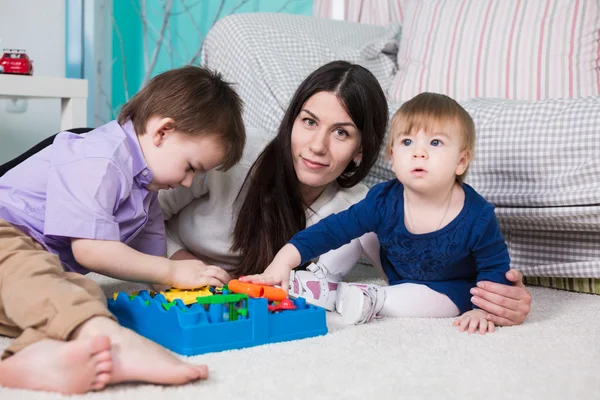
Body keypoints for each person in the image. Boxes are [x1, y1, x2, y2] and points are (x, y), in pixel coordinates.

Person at [160, 62, 531, 327]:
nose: (317, 146)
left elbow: (419, 270)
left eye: (341, 132)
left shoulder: (357, 207)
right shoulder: (228, 157)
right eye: (309, 122)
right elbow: (137, 213)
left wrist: (500, 300)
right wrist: (175, 264)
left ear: (361, 149)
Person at [0, 65, 245, 394]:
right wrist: (172, 270)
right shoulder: (102, 157)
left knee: (75, 294)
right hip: (6, 234)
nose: (188, 182)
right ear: (162, 131)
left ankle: (30, 359)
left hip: (25, 269)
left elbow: (153, 266)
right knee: (36, 273)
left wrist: (196, 284)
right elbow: (91, 250)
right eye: (190, 167)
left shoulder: (146, 194)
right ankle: (116, 344)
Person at [241, 92, 518, 335]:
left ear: (461, 161)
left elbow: (495, 268)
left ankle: (373, 299)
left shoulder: (477, 216)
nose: (419, 153)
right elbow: (333, 230)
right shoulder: (383, 199)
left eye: (435, 143)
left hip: (445, 287)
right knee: (354, 225)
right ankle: (323, 277)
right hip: (395, 269)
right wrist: (284, 260)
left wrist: (484, 310)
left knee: (442, 300)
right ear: (392, 158)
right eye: (407, 142)